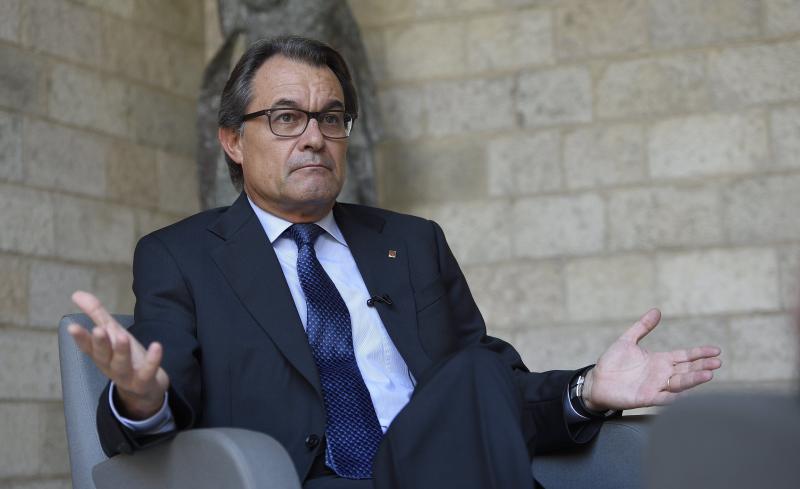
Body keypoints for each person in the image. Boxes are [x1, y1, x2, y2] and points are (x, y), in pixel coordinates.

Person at [68, 36, 722, 489]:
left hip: (440, 468)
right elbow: (162, 396)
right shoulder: (181, 256)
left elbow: (489, 395)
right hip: (308, 479)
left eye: (331, 118)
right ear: (233, 141)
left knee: (476, 370)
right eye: (287, 118)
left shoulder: (411, 242)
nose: (315, 138)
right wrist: (140, 396)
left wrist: (588, 389)